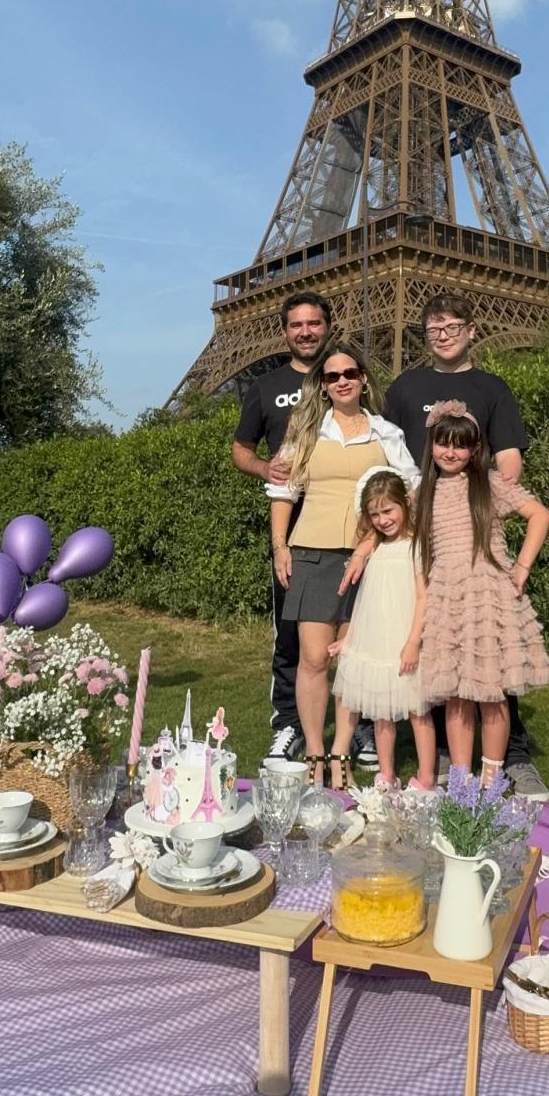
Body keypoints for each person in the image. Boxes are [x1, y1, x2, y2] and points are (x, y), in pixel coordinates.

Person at [379, 291, 546, 797]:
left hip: (485, 573)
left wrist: (516, 561)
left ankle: (504, 766)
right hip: (437, 569)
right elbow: (389, 462)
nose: (443, 333)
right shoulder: (405, 387)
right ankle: (452, 771)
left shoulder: (491, 387)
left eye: (452, 325)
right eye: (434, 327)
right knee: (448, 680)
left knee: (492, 679)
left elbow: (512, 463)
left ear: (471, 329)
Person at [268, 344, 418, 786]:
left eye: (350, 372)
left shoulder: (385, 433)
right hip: (311, 552)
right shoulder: (306, 432)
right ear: (323, 385)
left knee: (352, 659)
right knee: (314, 658)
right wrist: (280, 546)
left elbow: (409, 490)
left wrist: (370, 541)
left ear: (364, 378)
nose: (342, 381)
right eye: (332, 376)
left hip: (368, 558)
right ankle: (314, 751)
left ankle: (341, 752)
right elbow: (283, 492)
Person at [413, 402, 549, 785]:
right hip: (446, 596)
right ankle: (461, 776)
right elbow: (389, 527)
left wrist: (522, 566)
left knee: (491, 691)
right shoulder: (421, 492)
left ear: (474, 449)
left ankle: (492, 778)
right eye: (443, 444)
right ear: (432, 445)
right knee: (457, 692)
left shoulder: (490, 484)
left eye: (460, 446)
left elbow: (540, 515)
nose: (450, 452)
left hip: (488, 592)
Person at [231, 291, 331, 762]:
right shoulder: (266, 385)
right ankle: (288, 723)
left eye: (314, 323)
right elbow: (241, 450)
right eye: (297, 325)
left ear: (327, 327)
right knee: (289, 633)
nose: (306, 331)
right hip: (292, 529)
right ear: (285, 331)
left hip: (348, 525)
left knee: (359, 629)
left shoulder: (347, 376)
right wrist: (264, 468)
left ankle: (363, 725)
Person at [327, 467, 437, 795]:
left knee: (418, 711)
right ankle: (387, 776)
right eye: (375, 514)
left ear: (405, 503)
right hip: (377, 643)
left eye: (388, 510)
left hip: (406, 640)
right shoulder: (375, 549)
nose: (382, 520)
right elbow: (369, 602)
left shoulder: (417, 546)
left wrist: (413, 642)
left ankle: (427, 778)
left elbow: (422, 597)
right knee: (381, 714)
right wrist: (351, 638)